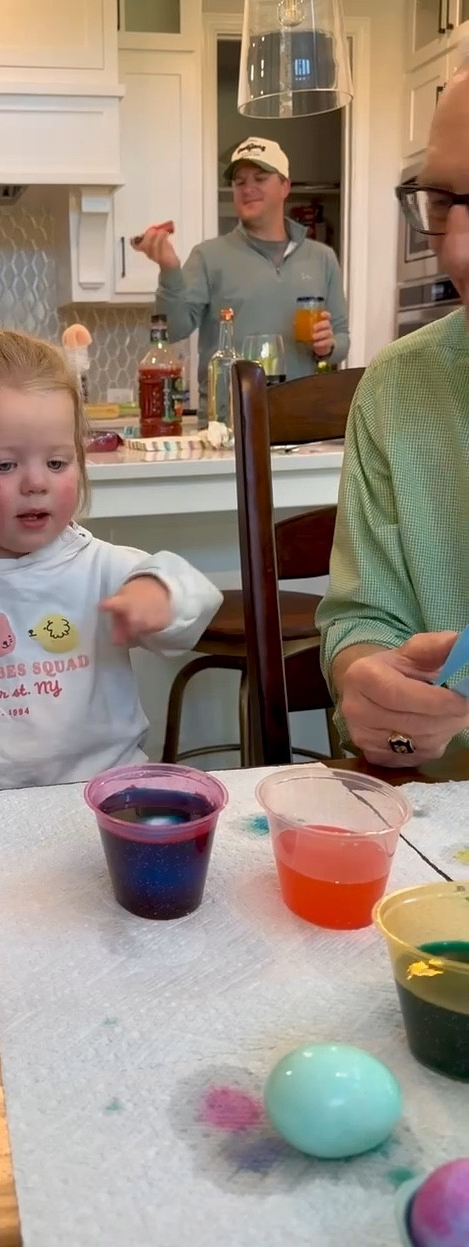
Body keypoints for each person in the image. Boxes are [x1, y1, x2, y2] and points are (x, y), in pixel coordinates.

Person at [0, 330, 222, 795]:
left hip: (111, 801)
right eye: (4, 467)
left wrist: (160, 595)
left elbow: (195, 594)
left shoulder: (104, 570)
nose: (36, 483)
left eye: (56, 463)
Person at [316, 57, 469, 767]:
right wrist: (372, 688)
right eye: (442, 202)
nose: (456, 252)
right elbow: (364, 616)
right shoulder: (400, 387)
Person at [133, 137, 350, 418]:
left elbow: (342, 338)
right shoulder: (208, 256)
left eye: (259, 178)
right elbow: (172, 330)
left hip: (300, 423)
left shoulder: (321, 258)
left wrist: (328, 347)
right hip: (226, 428)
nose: (248, 189)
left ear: (284, 186)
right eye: (239, 182)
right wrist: (169, 270)